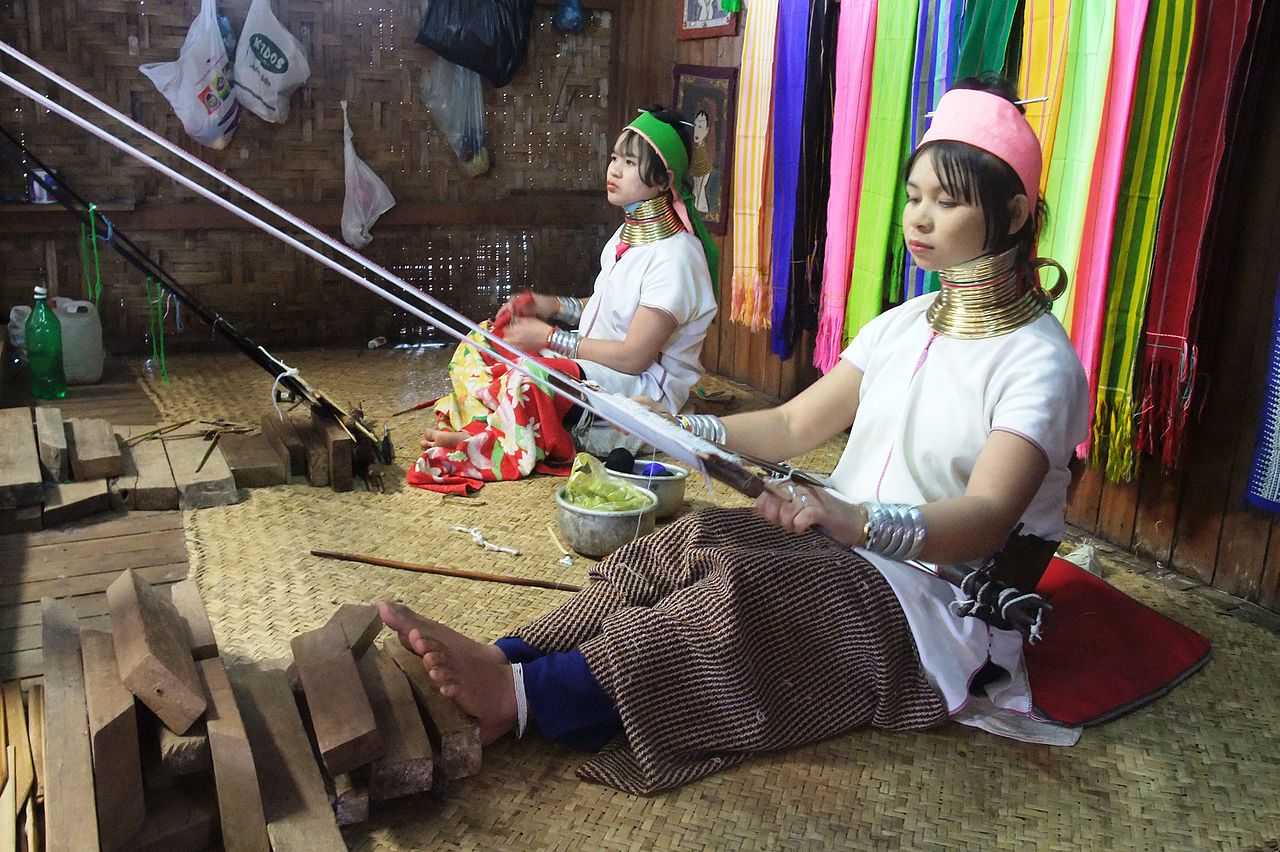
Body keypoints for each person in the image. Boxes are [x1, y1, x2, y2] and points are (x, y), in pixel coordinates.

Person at [383, 77, 1090, 794]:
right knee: (688, 541)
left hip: (937, 609)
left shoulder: (1040, 362)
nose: (920, 218)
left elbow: (985, 520)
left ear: (1013, 211)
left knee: (739, 592)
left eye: (948, 200)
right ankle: (513, 657)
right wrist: (681, 426)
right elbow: (792, 423)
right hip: (847, 548)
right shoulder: (903, 325)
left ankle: (526, 699)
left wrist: (853, 518)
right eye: (913, 196)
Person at [408, 105, 719, 492]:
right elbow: (608, 307)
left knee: (530, 378)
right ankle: (493, 426)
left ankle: (486, 440)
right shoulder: (627, 238)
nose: (614, 170)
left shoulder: (676, 258)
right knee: (484, 340)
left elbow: (635, 356)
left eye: (629, 162)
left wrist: (550, 338)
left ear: (663, 180)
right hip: (595, 367)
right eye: (614, 158)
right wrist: (549, 306)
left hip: (640, 387)